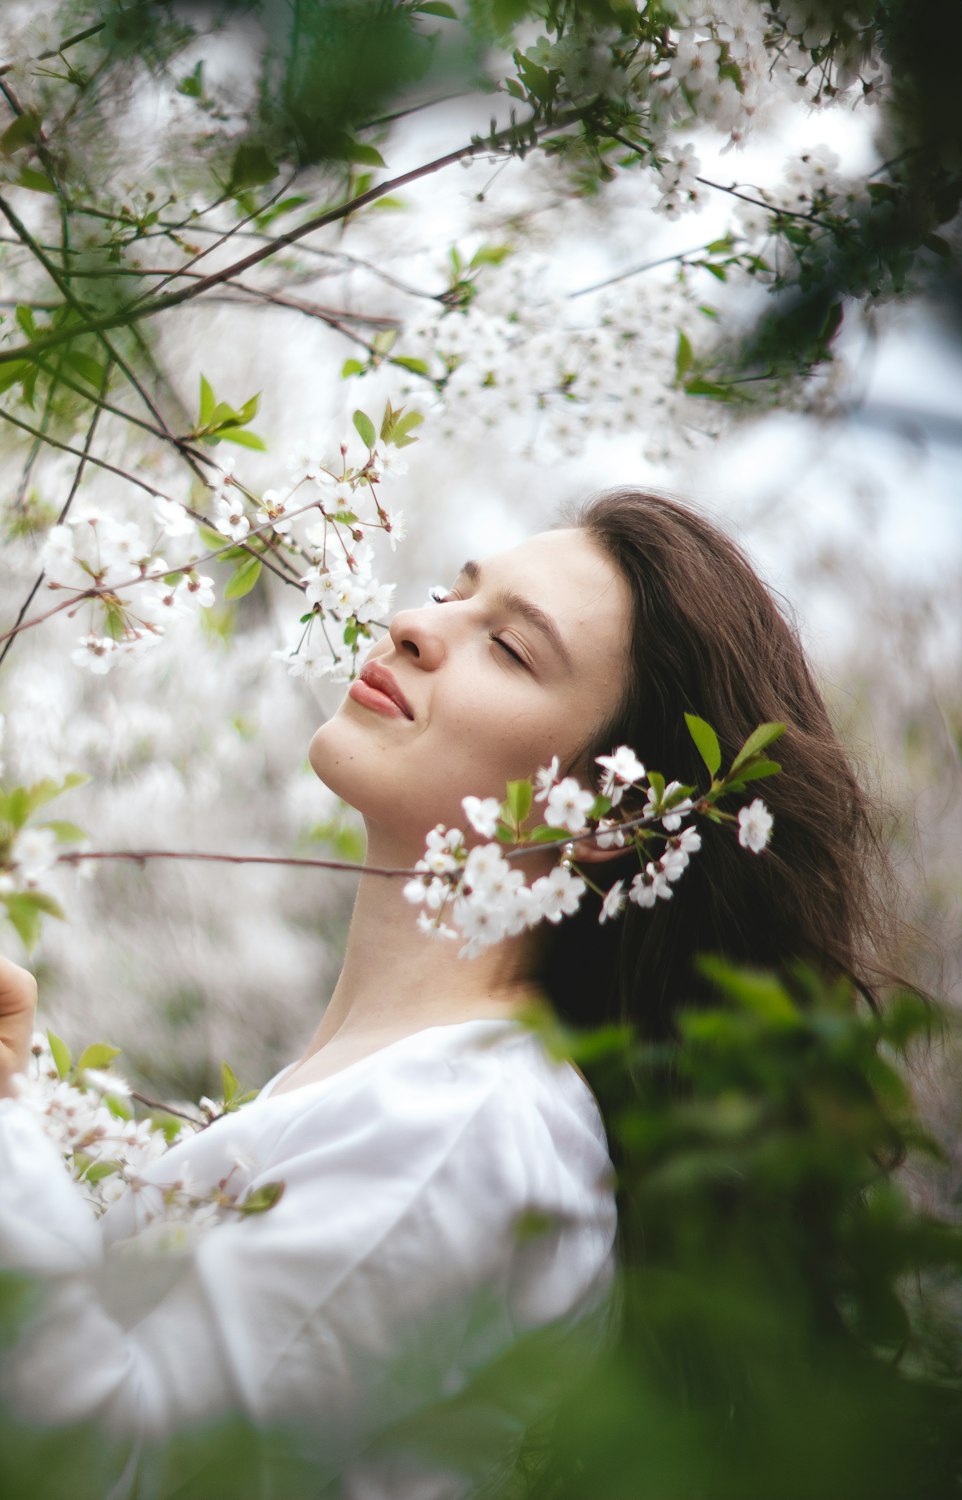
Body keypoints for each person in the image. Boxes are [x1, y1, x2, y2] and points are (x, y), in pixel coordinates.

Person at [0, 489, 887, 1498]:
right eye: (445, 596)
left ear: (611, 819)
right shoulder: (397, 1090)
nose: (414, 627)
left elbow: (122, 1469)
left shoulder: (468, 1130)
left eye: (509, 648)